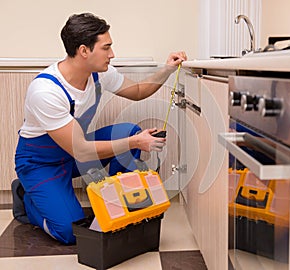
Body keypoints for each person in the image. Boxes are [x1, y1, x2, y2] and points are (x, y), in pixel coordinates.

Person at [13, 12, 187, 244]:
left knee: (128, 131)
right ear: (84, 51)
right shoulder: (46, 91)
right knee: (69, 232)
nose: (112, 54)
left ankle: (119, 205)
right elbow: (82, 151)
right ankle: (27, 198)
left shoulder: (99, 74)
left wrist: (167, 69)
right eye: (106, 48)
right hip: (41, 163)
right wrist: (136, 142)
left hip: (73, 153)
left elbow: (137, 92)